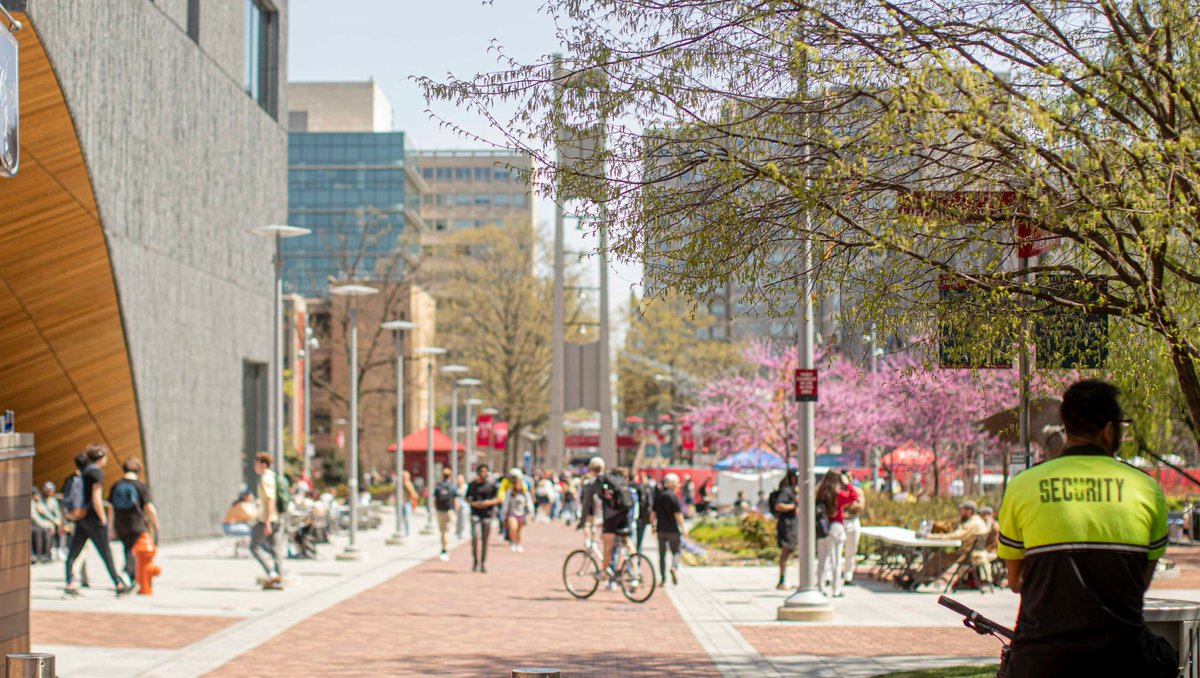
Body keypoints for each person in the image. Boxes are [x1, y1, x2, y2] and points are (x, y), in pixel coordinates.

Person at [998, 380, 1175, 677]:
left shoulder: (1022, 487)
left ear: (1066, 429)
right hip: (1122, 659)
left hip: (1041, 660)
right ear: (1109, 430)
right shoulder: (1146, 489)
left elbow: (1016, 582)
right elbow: (1138, 584)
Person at [64, 445, 132, 597]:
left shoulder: (84, 471)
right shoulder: (96, 473)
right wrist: (103, 518)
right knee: (106, 553)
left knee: (73, 552)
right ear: (102, 458)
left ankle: (69, 584)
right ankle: (119, 584)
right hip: (94, 519)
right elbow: (96, 497)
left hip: (81, 517)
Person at [909, 500, 991, 590]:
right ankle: (919, 580)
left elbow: (958, 535)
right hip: (971, 552)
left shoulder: (972, 523)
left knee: (938, 558)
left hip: (967, 554)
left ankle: (914, 581)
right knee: (940, 558)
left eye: (962, 510)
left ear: (969, 511)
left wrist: (934, 536)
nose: (960, 512)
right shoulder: (976, 520)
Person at [577, 457, 632, 577]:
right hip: (625, 512)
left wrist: (582, 523)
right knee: (627, 542)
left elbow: (586, 504)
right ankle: (634, 570)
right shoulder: (614, 478)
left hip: (611, 516)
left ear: (591, 469)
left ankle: (603, 572)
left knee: (607, 544)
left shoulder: (595, 482)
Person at [107, 457, 159, 584]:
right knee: (136, 548)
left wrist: (110, 527)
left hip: (120, 523)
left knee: (127, 548)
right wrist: (156, 522)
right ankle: (128, 574)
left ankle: (132, 574)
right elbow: (149, 507)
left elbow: (111, 508)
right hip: (137, 522)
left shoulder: (116, 485)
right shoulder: (140, 486)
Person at [815, 470, 859, 598]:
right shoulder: (837, 494)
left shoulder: (820, 494)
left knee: (822, 560)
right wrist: (847, 484)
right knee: (836, 560)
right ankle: (836, 589)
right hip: (836, 526)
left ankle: (820, 587)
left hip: (822, 528)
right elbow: (853, 497)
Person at [250, 452, 284, 590]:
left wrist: (267, 521)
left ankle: (272, 573)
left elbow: (270, 499)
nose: (254, 467)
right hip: (276, 518)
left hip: (266, 519)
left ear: (263, 465)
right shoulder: (273, 476)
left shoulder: (266, 478)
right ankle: (278, 579)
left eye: (256, 464)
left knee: (254, 546)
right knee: (276, 550)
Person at [465, 464, 501, 572]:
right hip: (475, 513)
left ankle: (483, 563)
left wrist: (489, 502)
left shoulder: (491, 485)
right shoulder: (472, 485)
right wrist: (474, 504)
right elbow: (467, 497)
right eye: (481, 472)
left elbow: (498, 498)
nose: (483, 474)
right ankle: (475, 561)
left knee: (485, 540)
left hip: (487, 514)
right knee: (475, 538)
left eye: (485, 472)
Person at [653, 473, 685, 586]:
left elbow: (653, 513)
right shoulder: (673, 497)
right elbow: (677, 514)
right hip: (672, 529)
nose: (678, 485)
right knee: (676, 551)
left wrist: (653, 526)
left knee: (661, 555)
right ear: (670, 484)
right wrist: (683, 528)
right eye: (677, 483)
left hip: (660, 529)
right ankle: (674, 567)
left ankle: (662, 578)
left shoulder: (658, 496)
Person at [772, 469, 800, 590]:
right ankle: (782, 579)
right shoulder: (786, 491)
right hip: (787, 525)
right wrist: (794, 506)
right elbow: (778, 505)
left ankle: (788, 579)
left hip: (793, 524)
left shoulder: (794, 491)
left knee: (792, 552)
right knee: (786, 551)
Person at [502, 469, 534, 553]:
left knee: (519, 530)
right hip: (512, 513)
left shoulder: (524, 492)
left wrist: (531, 513)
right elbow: (505, 504)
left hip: (521, 513)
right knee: (513, 528)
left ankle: (518, 544)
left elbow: (529, 502)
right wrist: (504, 515)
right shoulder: (509, 491)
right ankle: (513, 542)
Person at [841, 477, 865, 587]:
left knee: (851, 551)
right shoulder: (837, 490)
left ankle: (848, 576)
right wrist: (850, 504)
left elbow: (860, 505)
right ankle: (830, 576)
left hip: (853, 521)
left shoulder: (856, 490)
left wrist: (848, 505)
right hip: (841, 522)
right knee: (835, 551)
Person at [433, 466, 459, 561]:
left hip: (440, 511)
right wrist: (456, 510)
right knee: (449, 530)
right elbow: (455, 499)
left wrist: (434, 509)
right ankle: (445, 548)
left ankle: (443, 547)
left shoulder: (438, 486)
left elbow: (434, 498)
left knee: (442, 531)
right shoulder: (452, 486)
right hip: (449, 510)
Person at [36, 482, 65, 560]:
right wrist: (53, 521)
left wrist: (58, 523)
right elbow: (43, 513)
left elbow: (57, 513)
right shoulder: (40, 500)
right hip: (43, 521)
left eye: (50, 490)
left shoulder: (53, 501)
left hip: (52, 522)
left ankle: (59, 548)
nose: (49, 492)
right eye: (47, 490)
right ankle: (51, 550)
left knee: (60, 527)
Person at [31, 488, 54, 563]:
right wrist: (48, 524)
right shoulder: (31, 504)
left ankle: (47, 554)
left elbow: (47, 513)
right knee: (41, 531)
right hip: (33, 525)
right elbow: (36, 519)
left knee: (46, 531)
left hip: (41, 524)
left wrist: (53, 523)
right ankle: (39, 555)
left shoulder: (39, 503)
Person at [632, 472, 653, 554]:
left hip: (632, 518)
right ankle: (637, 560)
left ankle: (633, 560)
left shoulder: (630, 487)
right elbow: (649, 505)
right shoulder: (646, 489)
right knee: (639, 542)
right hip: (641, 518)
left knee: (632, 541)